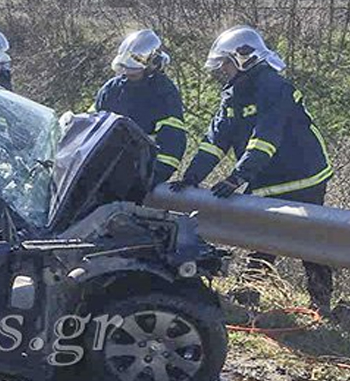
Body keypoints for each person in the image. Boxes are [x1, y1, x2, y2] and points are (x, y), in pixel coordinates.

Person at [169, 25, 335, 315]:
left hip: (303, 175)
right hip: (266, 174)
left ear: (243, 58)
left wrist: (238, 177)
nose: (223, 70)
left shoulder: (274, 87)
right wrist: (192, 176)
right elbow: (215, 140)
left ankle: (321, 303)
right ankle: (250, 292)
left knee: (310, 240)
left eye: (226, 63)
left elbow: (266, 137)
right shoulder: (233, 94)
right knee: (262, 233)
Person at [92, 29, 187, 187]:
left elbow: (173, 142)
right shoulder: (111, 89)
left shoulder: (163, 92)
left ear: (152, 65)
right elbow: (92, 127)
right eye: (125, 70)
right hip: (107, 172)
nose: (128, 75)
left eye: (134, 72)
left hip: (141, 171)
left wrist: (151, 179)